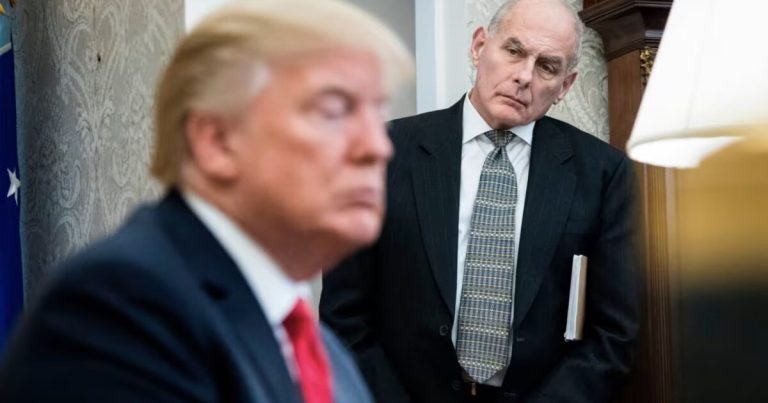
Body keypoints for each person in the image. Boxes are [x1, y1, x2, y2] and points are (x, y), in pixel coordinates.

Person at [0, 1, 412, 402]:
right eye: (334, 111)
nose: (378, 147)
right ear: (217, 141)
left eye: (378, 114)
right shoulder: (122, 309)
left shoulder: (326, 354)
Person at [320, 0, 638, 402]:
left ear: (565, 85)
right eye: (514, 50)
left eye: (547, 66)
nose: (524, 76)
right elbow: (344, 317)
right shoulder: (384, 151)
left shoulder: (602, 173)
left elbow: (612, 336)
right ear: (478, 46)